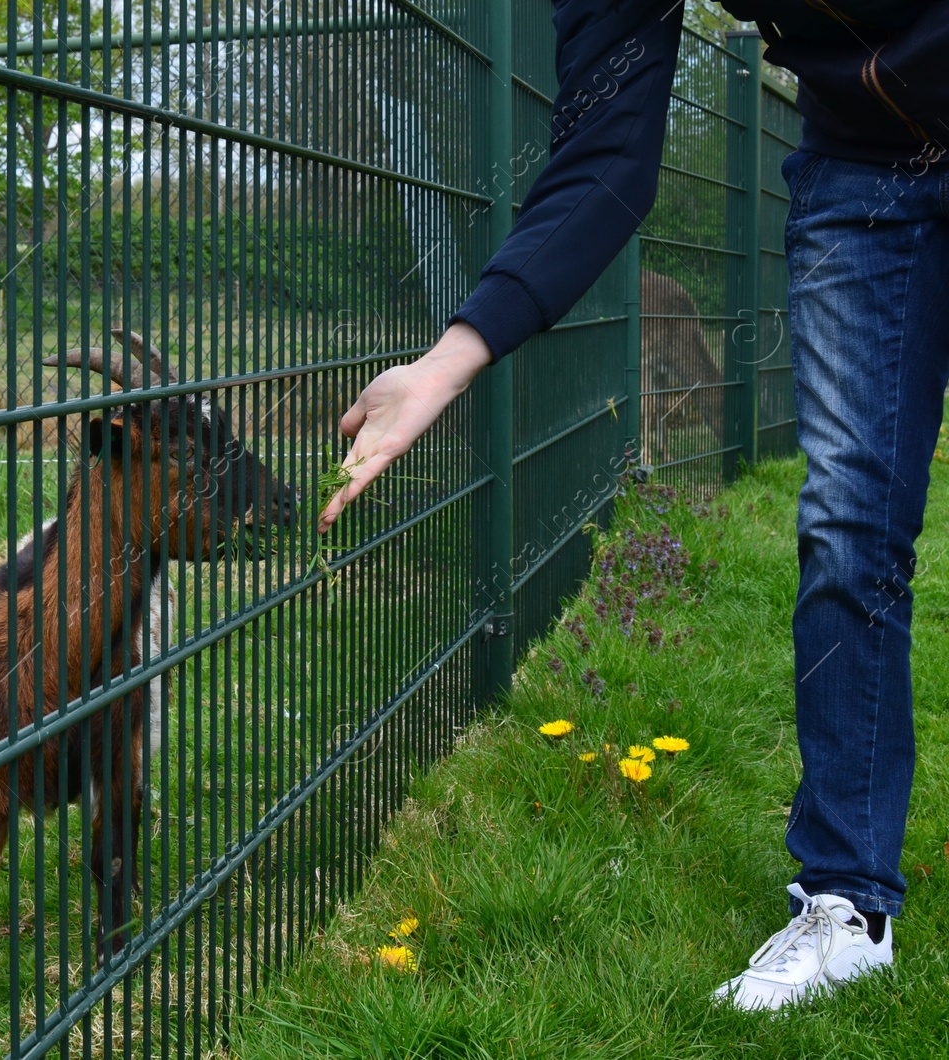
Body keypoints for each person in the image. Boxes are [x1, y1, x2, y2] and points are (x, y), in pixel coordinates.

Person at [315, 0, 947, 1013]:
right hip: (863, 173)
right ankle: (847, 899)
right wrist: (451, 356)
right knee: (846, 526)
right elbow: (604, 156)